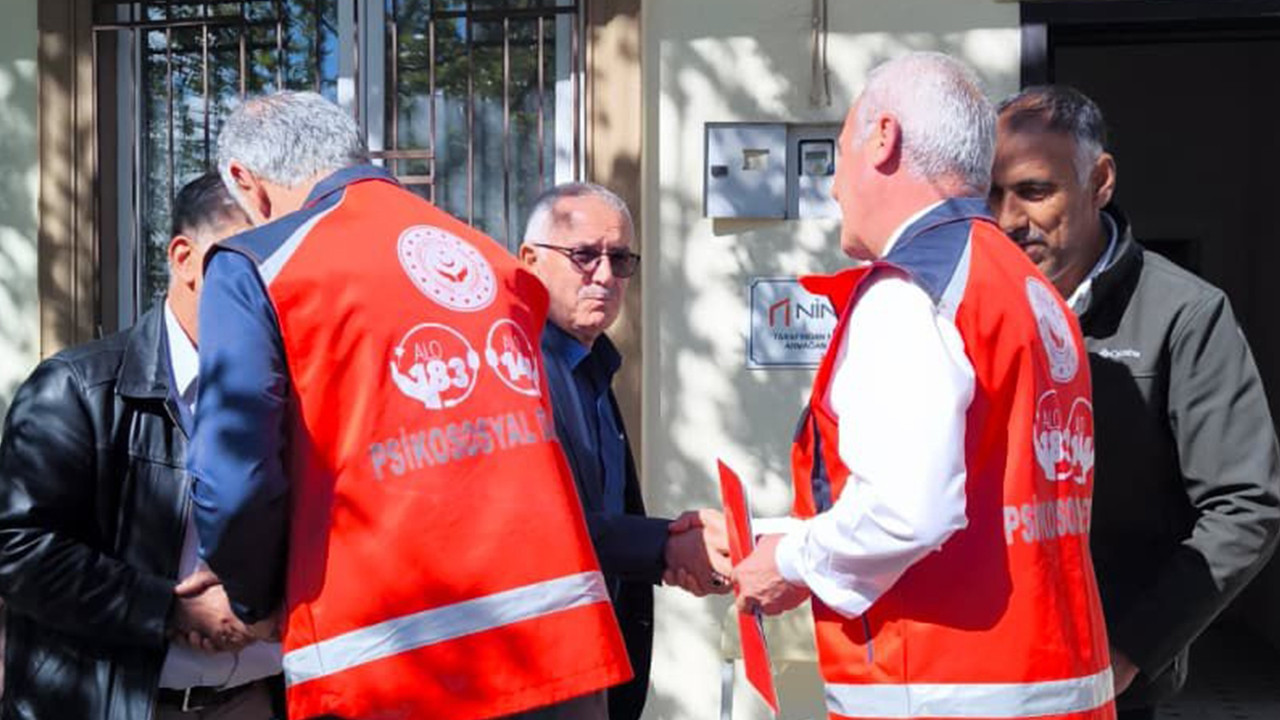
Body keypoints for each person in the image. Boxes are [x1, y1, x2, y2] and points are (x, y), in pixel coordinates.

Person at [188, 91, 630, 720]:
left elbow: (234, 477)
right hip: (557, 651)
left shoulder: (257, 265)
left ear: (246, 182)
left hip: (387, 663)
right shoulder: (489, 257)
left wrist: (253, 601)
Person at [732, 52, 1116, 720]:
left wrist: (787, 560)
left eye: (839, 156)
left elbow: (907, 512)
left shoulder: (910, 294)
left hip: (941, 691)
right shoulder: (1028, 289)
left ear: (883, 138)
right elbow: (986, 498)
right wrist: (772, 539)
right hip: (1048, 690)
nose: (835, 188)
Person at [991, 85, 1280, 719]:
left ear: (1100, 181)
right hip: (979, 678)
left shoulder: (1184, 315)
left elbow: (1246, 506)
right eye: (993, 194)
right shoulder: (968, 308)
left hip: (1109, 688)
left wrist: (1131, 650)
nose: (1009, 218)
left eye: (1034, 191)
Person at [0, 173, 283, 720]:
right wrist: (172, 610)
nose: (271, 287)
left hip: (256, 700)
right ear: (184, 260)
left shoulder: (299, 393)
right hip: (119, 705)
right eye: (251, 264)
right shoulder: (78, 388)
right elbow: (16, 549)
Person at [519, 183, 732, 720]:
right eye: (584, 255)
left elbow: (608, 516)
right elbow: (542, 527)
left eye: (620, 259)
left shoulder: (592, 365)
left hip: (595, 671)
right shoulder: (517, 372)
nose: (605, 276)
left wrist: (672, 548)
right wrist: (667, 545)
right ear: (529, 260)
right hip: (537, 676)